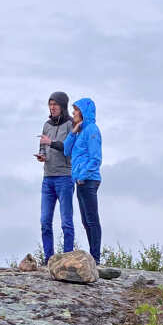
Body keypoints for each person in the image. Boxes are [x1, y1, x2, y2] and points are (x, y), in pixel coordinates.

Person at [37, 91, 75, 261]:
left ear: (63, 106)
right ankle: (49, 260)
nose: (52, 107)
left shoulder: (71, 124)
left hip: (65, 178)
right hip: (48, 178)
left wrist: (50, 143)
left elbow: (68, 148)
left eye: (55, 104)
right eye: (50, 104)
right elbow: (43, 147)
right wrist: (42, 155)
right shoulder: (46, 125)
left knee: (66, 222)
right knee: (45, 221)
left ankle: (66, 259)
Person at [67, 97, 103, 263]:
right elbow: (67, 150)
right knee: (85, 220)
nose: (73, 112)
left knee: (92, 219)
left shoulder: (92, 130)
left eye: (76, 109)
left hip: (88, 181)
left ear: (83, 112)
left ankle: (95, 258)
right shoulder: (81, 131)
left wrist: (82, 176)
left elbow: (96, 158)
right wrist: (73, 132)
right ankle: (93, 257)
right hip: (80, 181)